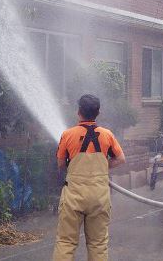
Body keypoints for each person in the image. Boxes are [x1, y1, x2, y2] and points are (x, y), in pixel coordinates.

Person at [53, 94, 126, 261]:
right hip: (99, 196)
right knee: (98, 244)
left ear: (78, 112)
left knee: (66, 242)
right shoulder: (107, 135)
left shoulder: (67, 135)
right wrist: (100, 167)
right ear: (98, 112)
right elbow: (121, 159)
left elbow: (60, 164)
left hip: (73, 195)